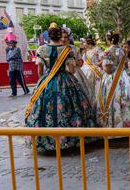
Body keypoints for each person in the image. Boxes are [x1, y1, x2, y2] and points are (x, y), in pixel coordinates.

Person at [25, 23, 96, 152]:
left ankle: (45, 140)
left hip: (47, 80)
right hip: (65, 80)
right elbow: (72, 69)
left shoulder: (41, 49)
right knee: (73, 106)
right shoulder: (67, 50)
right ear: (60, 35)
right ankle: (71, 139)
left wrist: (42, 82)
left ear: (49, 35)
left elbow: (40, 71)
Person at [61, 29, 91, 106]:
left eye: (65, 37)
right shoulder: (57, 49)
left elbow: (81, 63)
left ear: (68, 38)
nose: (63, 39)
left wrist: (73, 60)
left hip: (75, 73)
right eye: (61, 37)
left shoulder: (73, 48)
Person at [81, 34, 103, 98]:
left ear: (88, 42)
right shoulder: (85, 51)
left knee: (96, 88)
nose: (83, 44)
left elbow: (103, 59)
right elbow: (83, 61)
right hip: (86, 70)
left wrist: (96, 65)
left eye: (84, 42)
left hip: (96, 70)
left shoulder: (97, 49)